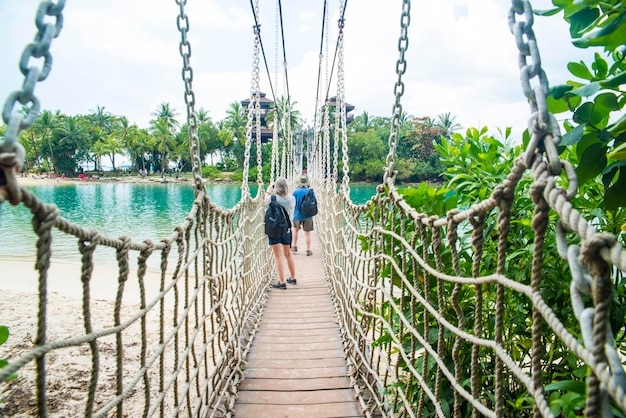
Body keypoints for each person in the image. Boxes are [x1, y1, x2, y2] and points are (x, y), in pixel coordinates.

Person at [265, 177, 298, 288]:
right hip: (286, 229)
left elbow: (264, 201)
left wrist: (269, 190)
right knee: (288, 254)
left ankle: (282, 282)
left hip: (274, 229)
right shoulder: (292, 199)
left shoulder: (272, 198)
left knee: (277, 255)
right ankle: (293, 278)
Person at [291, 175, 314, 256]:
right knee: (307, 233)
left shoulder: (295, 192)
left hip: (297, 214)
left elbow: (291, 202)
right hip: (308, 215)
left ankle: (294, 246)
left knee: (295, 230)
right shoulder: (310, 191)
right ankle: (308, 250)